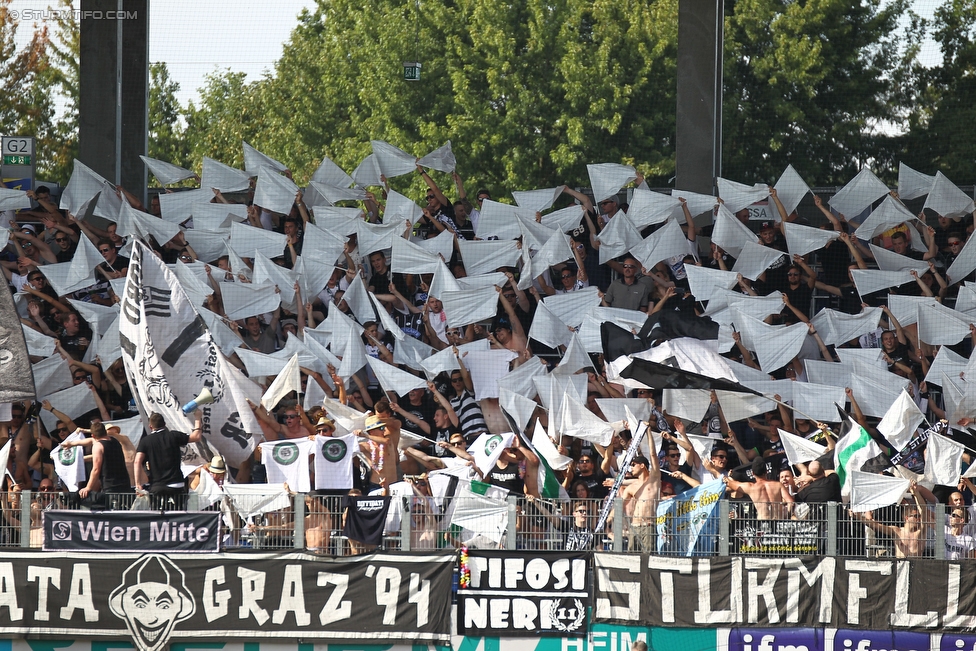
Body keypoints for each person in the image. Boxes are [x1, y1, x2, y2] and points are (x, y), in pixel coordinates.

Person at [134, 411, 203, 511]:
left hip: (157, 485)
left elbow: (137, 462)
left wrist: (138, 483)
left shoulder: (146, 441)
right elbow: (196, 437)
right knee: (178, 513)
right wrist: (198, 417)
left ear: (150, 426)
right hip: (176, 483)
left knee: (156, 514)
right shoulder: (174, 436)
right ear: (165, 424)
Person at [724, 457, 794, 520]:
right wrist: (786, 517)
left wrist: (728, 477)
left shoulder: (751, 487)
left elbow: (730, 483)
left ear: (752, 473)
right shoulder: (778, 485)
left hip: (763, 524)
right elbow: (791, 502)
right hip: (778, 523)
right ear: (766, 471)